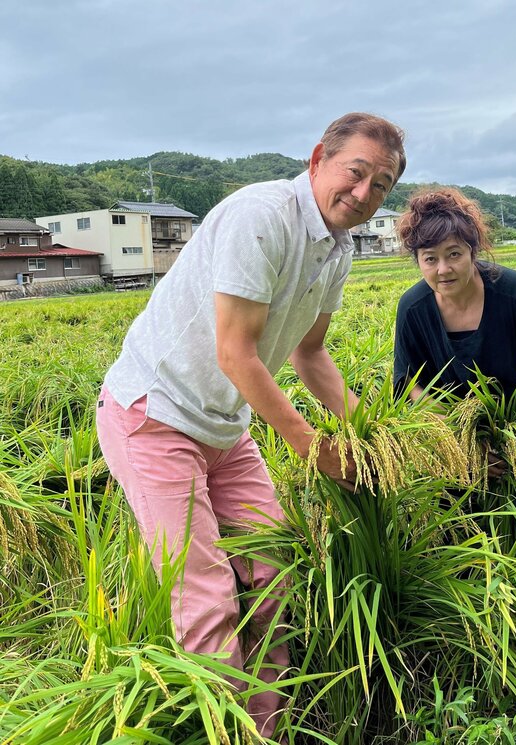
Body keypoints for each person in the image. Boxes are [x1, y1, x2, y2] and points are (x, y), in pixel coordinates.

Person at [96, 112, 406, 738]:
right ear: (319, 157)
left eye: (382, 185)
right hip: (154, 415)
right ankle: (232, 733)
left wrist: (368, 437)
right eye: (358, 172)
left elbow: (309, 353)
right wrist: (313, 447)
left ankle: (271, 725)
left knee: (273, 573)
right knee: (206, 596)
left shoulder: (338, 248)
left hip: (224, 427)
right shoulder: (260, 216)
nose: (365, 193)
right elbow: (235, 353)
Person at [393, 188, 516, 550]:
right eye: (430, 258)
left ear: (473, 250)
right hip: (458, 437)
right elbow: (412, 386)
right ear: (418, 261)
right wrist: (465, 445)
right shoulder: (413, 309)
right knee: (467, 534)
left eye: (454, 254)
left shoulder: (514, 291)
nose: (443, 269)